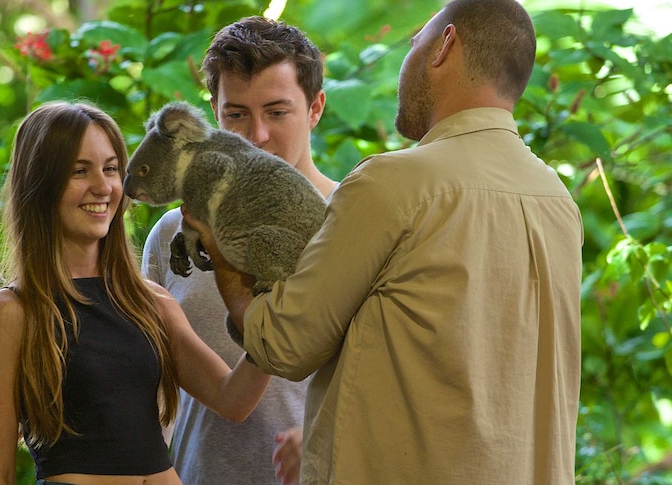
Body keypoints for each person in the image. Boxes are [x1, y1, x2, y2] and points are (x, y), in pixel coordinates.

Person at [184, 0, 584, 483]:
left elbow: (282, 345)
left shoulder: (395, 184)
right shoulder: (558, 200)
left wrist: (219, 247)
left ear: (445, 46)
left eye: (415, 41)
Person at [0, 100, 271, 484]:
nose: (103, 186)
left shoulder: (149, 302)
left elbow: (233, 400)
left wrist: (275, 310)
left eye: (111, 169)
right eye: (80, 171)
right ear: (40, 184)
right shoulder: (13, 313)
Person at [140, 16, 336, 485]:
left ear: (315, 108)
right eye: (236, 114)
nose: (257, 135)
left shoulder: (351, 225)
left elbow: (401, 378)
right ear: (212, 115)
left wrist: (329, 438)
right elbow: (151, 392)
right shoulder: (172, 233)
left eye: (277, 111)